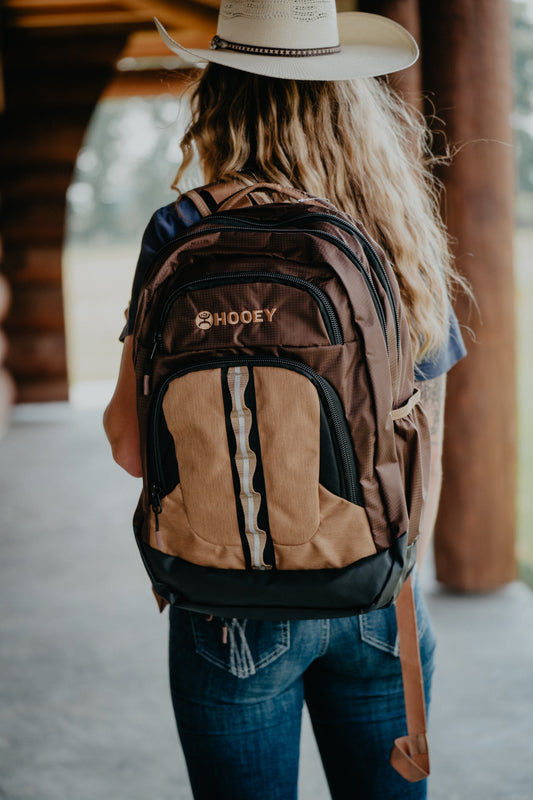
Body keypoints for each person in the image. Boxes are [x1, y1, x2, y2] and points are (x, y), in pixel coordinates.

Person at [103, 2, 467, 798]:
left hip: (227, 603)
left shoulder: (181, 229)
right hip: (376, 592)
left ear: (220, 99)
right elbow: (424, 437)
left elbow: (131, 446)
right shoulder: (391, 223)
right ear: (348, 100)